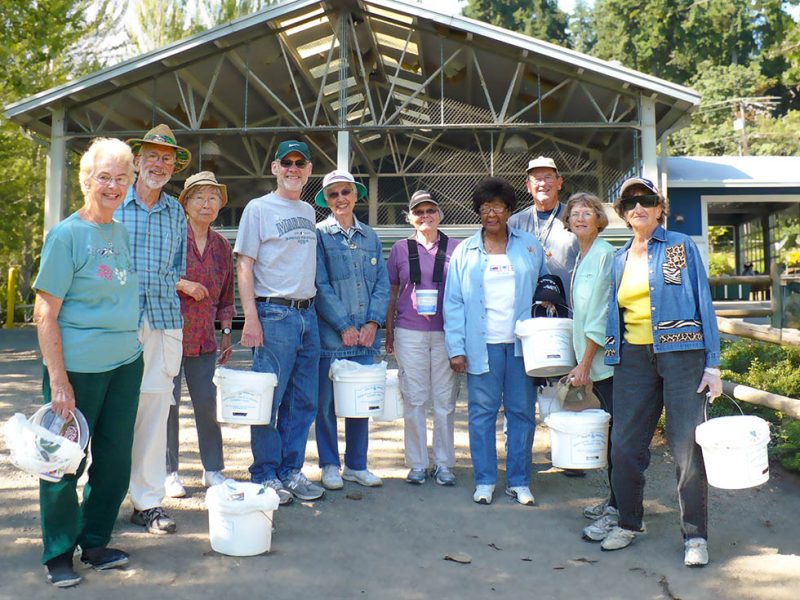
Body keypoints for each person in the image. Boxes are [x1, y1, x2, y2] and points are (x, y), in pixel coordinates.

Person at [32, 138, 143, 587]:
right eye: (105, 177)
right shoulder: (66, 235)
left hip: (125, 363)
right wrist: (58, 380)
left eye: (121, 177)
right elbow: (45, 313)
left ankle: (94, 541)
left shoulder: (119, 231)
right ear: (86, 180)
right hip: (77, 369)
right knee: (62, 461)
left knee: (115, 462)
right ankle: (58, 552)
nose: (113, 185)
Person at [601, 177, 722, 568]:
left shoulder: (678, 246)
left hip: (682, 354)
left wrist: (713, 363)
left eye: (647, 200)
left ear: (659, 207)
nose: (639, 207)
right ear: (623, 212)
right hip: (632, 358)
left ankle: (695, 535)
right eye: (630, 202)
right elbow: (613, 314)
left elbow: (703, 301)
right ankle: (629, 521)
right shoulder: (618, 258)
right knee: (624, 445)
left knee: (686, 445)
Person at [444, 177, 548, 506]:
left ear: (508, 211)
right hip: (482, 345)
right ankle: (485, 479)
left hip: (522, 347)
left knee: (521, 413)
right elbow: (454, 303)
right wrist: (457, 348)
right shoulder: (465, 251)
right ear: (478, 211)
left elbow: (544, 290)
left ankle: (519, 480)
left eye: (499, 207)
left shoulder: (529, 246)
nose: (492, 213)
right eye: (486, 207)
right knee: (482, 414)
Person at [234, 140, 324, 504]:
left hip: (307, 314)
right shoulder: (258, 208)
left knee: (302, 401)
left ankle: (291, 470)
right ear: (274, 168)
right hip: (274, 314)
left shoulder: (308, 211)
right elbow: (244, 265)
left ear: (308, 170)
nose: (293, 168)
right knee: (267, 401)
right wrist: (250, 318)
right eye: (286, 162)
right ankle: (265, 473)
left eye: (300, 163)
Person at [116, 124, 189, 535]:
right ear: (137, 161)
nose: (159, 164)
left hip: (163, 321)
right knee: (110, 413)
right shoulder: (112, 202)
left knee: (154, 413)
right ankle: (103, 499)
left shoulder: (176, 210)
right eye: (152, 156)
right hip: (116, 325)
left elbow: (176, 269)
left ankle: (146, 503)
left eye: (167, 158)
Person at [313, 170, 390, 489]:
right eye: (333, 194)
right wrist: (344, 326)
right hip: (332, 338)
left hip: (366, 338)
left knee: (360, 402)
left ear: (356, 195)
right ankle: (330, 465)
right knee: (326, 405)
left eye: (346, 192)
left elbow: (383, 284)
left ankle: (357, 465)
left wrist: (373, 322)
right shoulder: (318, 235)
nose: (340, 198)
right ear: (326, 201)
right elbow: (318, 284)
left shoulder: (370, 236)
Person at [164, 172, 235, 498]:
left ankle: (213, 469)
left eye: (212, 198)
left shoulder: (222, 246)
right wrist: (183, 284)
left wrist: (225, 333)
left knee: (207, 405)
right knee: (168, 405)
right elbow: (154, 274)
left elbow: (226, 297)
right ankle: (168, 472)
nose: (206, 204)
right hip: (168, 332)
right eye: (199, 198)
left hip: (205, 338)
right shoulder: (171, 236)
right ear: (186, 204)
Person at [386, 190, 461, 486]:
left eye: (431, 210)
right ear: (410, 217)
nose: (425, 216)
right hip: (409, 331)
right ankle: (417, 463)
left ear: (440, 214)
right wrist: (389, 332)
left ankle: (444, 463)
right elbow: (393, 292)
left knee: (444, 400)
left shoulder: (456, 248)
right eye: (419, 212)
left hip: (446, 332)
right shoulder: (400, 249)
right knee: (414, 399)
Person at [556, 193, 618, 540]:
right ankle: (614, 501)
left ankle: (619, 509)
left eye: (587, 213)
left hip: (605, 362)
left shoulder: (605, 254)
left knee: (619, 439)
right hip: (592, 361)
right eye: (575, 213)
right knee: (612, 435)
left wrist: (585, 362)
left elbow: (600, 314)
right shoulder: (582, 255)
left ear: (599, 218)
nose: (580, 218)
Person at [508, 156, 578, 301]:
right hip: (527, 310)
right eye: (536, 179)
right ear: (528, 186)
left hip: (568, 310)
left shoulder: (575, 219)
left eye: (548, 177)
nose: (543, 183)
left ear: (559, 183)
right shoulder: (514, 223)